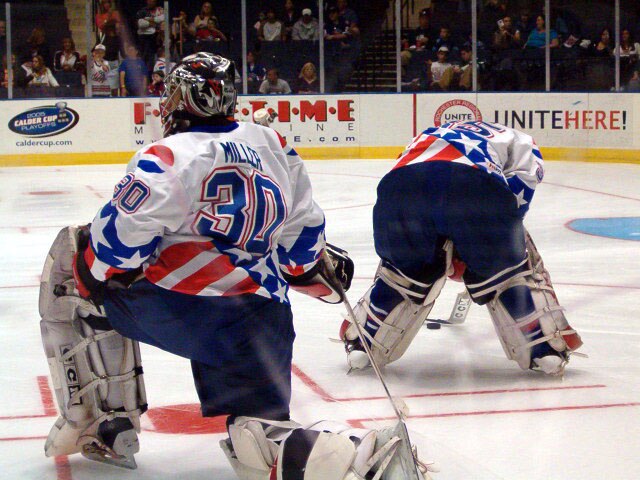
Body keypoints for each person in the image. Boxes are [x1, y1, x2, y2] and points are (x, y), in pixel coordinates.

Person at [37, 52, 423, 479]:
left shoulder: (164, 156)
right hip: (263, 321)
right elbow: (302, 254)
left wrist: (90, 276)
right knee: (259, 437)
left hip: (186, 310)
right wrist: (316, 272)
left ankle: (103, 424)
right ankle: (359, 459)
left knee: (72, 269)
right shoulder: (274, 144)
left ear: (181, 98)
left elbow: (114, 251)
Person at [340, 120, 583, 377]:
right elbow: (515, 203)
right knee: (508, 271)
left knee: (403, 273)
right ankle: (543, 347)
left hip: (399, 191)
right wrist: (480, 253)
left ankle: (364, 342)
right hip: (475, 187)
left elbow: (408, 174)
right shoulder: (520, 139)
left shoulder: (429, 134)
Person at [136, 0, 165, 73]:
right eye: (149, 1)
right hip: (145, 39)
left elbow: (163, 18)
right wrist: (155, 22)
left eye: (153, 1)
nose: (150, 2)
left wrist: (149, 19)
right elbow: (141, 24)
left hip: (157, 38)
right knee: (146, 60)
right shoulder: (142, 11)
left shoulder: (160, 10)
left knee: (155, 61)